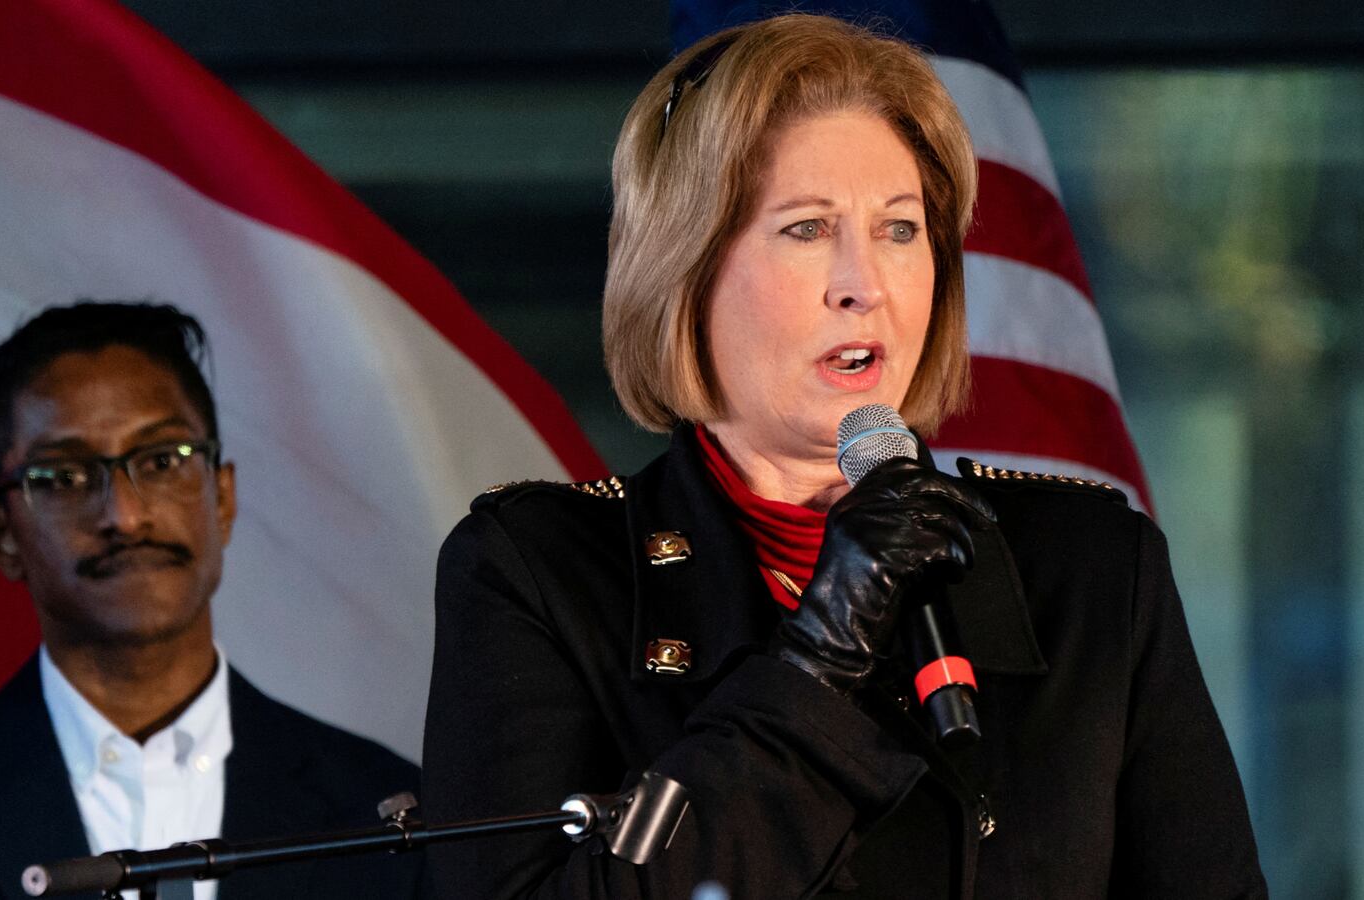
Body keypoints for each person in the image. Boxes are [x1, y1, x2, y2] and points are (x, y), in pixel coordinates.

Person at [423, 14, 1265, 899]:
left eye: (901, 230)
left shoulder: (1092, 566)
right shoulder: (538, 574)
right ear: (686, 268)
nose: (863, 283)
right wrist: (819, 662)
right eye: (807, 229)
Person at [0, 302, 424, 900]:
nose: (124, 516)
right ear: (1, 535)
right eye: (66, 476)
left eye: (162, 461)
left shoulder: (392, 817)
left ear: (223, 497)